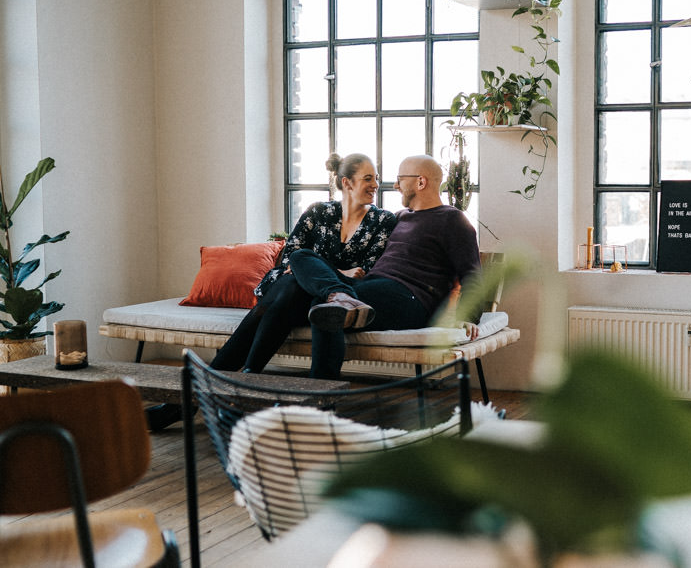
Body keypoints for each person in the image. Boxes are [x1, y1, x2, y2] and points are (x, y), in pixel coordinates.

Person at [145, 152, 395, 431]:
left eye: (376, 178)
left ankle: (191, 402)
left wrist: (319, 270)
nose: (376, 184)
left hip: (331, 303)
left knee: (287, 290)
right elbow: (289, 258)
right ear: (347, 183)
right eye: (368, 178)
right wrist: (333, 270)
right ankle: (245, 383)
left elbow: (365, 272)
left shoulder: (382, 221)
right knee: (290, 283)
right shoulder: (318, 212)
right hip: (293, 293)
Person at [290, 155, 482, 365]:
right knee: (301, 256)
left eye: (400, 179)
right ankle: (340, 296)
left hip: (411, 298)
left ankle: (322, 390)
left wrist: (468, 317)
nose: (396, 185)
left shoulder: (453, 220)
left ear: (420, 182)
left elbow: (472, 274)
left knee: (324, 307)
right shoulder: (399, 217)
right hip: (372, 286)